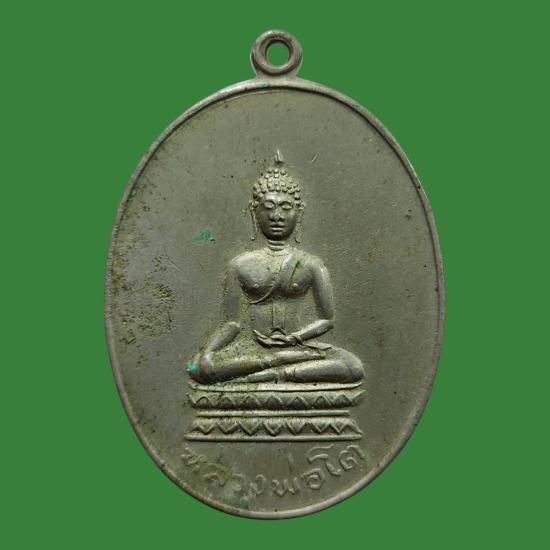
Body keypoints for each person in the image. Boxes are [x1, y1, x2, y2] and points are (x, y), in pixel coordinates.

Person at [187, 154, 365, 385]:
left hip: (298, 349)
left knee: (353, 366)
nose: (277, 216)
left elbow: (326, 319)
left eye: (286, 208)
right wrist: (209, 351)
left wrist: (295, 338)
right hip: (253, 350)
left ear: (299, 212)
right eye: (268, 207)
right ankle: (275, 367)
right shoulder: (240, 265)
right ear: (254, 212)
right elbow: (231, 323)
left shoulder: (312, 264)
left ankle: (276, 374)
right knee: (199, 367)